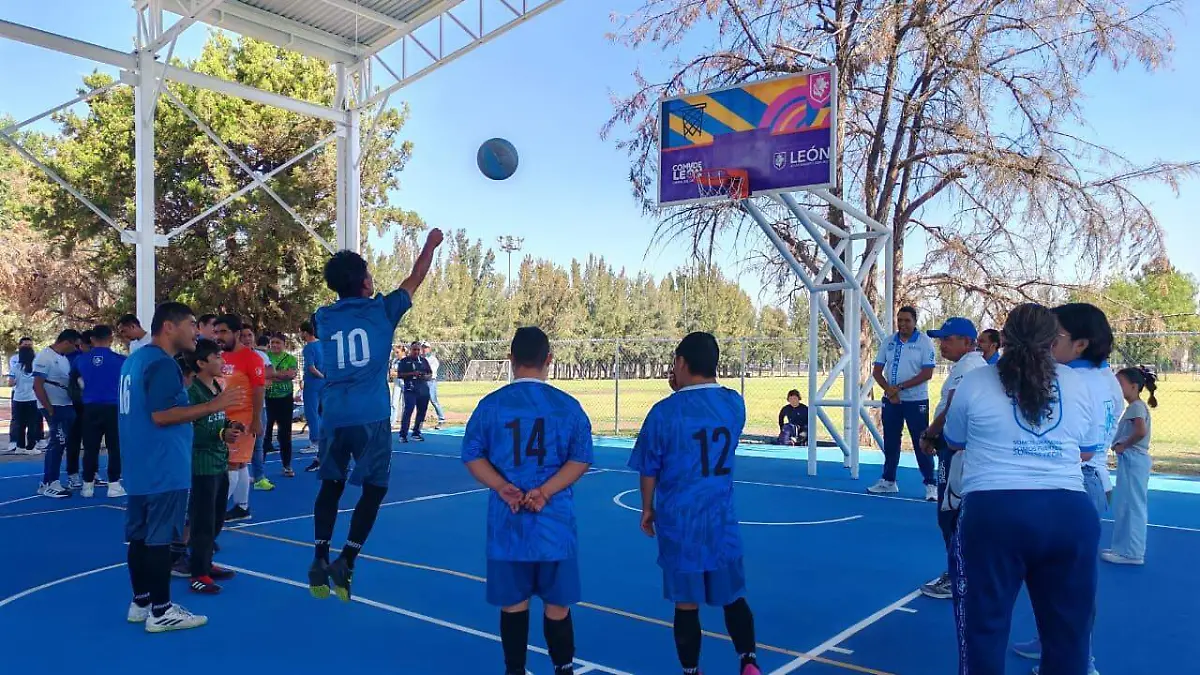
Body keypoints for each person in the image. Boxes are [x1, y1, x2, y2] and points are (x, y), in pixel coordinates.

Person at [944, 303, 1103, 675]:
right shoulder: (1076, 383)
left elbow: (954, 440)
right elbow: (1087, 450)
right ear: (1053, 341)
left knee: (983, 629)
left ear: (1003, 339)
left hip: (995, 513)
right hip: (1068, 513)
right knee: (1069, 637)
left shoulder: (976, 381)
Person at [308, 229, 442, 602]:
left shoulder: (323, 317)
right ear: (366, 283)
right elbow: (416, 276)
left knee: (330, 485)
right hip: (370, 414)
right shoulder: (382, 310)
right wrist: (430, 245)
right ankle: (347, 559)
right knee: (376, 487)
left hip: (334, 414)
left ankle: (320, 554)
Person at [461, 326, 593, 675]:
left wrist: (501, 485)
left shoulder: (491, 406)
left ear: (511, 359)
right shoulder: (568, 407)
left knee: (513, 605)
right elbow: (581, 458)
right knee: (558, 607)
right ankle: (563, 668)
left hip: (508, 524)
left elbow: (472, 455)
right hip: (554, 526)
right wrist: (546, 491)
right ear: (549, 359)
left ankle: (515, 670)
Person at [628, 332, 761, 675]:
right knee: (733, 596)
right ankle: (748, 661)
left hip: (681, 522)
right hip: (720, 520)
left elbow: (649, 467)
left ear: (681, 362)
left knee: (686, 604)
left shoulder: (663, 412)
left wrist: (647, 508)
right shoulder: (734, 404)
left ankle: (691, 670)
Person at [1011, 303, 1122, 675]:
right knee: (1055, 576)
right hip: (1090, 480)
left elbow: (1081, 446)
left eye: (1054, 336)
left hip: (1077, 482)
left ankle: (1079, 660)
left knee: (1072, 584)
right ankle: (1050, 642)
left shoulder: (1075, 381)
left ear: (1080, 344)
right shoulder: (1104, 376)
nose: (1046, 342)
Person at [120, 302, 244, 632]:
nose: (196, 331)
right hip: (163, 465)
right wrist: (214, 405)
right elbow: (162, 415)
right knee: (160, 539)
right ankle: (161, 610)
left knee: (140, 537)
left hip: (140, 464)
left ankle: (141, 602)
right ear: (169, 327)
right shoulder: (162, 364)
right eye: (191, 324)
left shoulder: (134, 361)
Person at [917, 318, 987, 599]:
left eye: (948, 339)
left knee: (950, 514)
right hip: (961, 449)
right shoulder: (971, 366)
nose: (942, 345)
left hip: (958, 452)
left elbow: (953, 406)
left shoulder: (968, 367)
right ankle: (965, 571)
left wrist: (930, 433)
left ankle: (958, 575)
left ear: (967, 342)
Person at [183, 338, 243, 594]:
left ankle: (206, 563)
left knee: (217, 517)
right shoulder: (192, 393)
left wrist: (230, 427)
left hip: (219, 462)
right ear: (201, 363)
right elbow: (192, 430)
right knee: (203, 521)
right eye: (216, 357)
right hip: (203, 465)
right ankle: (197, 572)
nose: (222, 360)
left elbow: (219, 419)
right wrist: (221, 434)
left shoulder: (217, 387)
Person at [871, 306, 938, 498]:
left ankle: (930, 484)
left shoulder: (924, 342)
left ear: (915, 321)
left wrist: (899, 388)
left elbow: (927, 373)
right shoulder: (888, 342)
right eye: (899, 320)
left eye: (907, 320)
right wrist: (889, 390)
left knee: (921, 441)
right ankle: (888, 480)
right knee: (891, 441)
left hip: (916, 400)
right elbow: (877, 371)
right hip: (891, 401)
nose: (902, 324)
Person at [214, 314, 266, 523]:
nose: (218, 336)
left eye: (223, 332)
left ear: (236, 333)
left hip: (242, 420)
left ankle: (213, 510)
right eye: (216, 332)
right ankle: (242, 507)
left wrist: (256, 419)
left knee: (232, 464)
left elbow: (259, 389)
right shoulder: (220, 357)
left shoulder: (251, 358)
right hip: (222, 419)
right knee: (240, 463)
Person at [1103, 366, 1156, 566]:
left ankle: (1132, 552)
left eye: (1120, 384)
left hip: (1134, 459)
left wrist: (1124, 445)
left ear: (1134, 387)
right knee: (1127, 504)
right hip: (1131, 460)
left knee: (1132, 506)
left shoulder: (1136, 408)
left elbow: (1140, 431)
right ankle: (1123, 548)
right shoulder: (1135, 407)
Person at [74, 324, 127, 497]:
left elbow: (75, 382)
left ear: (92, 339)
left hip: (90, 407)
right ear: (111, 338)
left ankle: (87, 485)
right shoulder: (121, 360)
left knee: (90, 447)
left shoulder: (80, 360)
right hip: (113, 407)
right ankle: (114, 485)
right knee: (114, 447)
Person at [32, 329, 83, 498]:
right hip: (54, 406)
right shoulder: (45, 357)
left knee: (62, 443)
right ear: (67, 342)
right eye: (75, 345)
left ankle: (50, 481)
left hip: (66, 405)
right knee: (57, 442)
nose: (76, 349)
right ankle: (49, 482)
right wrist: (49, 408)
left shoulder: (63, 359)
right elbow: (37, 385)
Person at [264, 332, 299, 477]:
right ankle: (259, 470)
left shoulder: (290, 358)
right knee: (265, 433)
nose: (275, 345)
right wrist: (280, 375)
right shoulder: (265, 357)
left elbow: (291, 375)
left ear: (284, 344)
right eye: (272, 342)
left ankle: (287, 465)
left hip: (285, 399)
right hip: (267, 399)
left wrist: (273, 375)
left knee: (285, 434)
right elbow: (263, 375)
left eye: (278, 343)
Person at [245, 329, 276, 491]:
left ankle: (259, 477)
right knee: (237, 443)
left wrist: (257, 379)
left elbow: (271, 374)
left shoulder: (260, 356)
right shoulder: (229, 356)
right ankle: (239, 475)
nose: (247, 339)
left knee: (258, 443)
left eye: (250, 335)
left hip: (259, 406)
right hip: (238, 407)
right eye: (243, 336)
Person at [6, 345, 42, 455]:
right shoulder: (36, 367)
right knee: (32, 424)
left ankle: (20, 446)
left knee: (20, 424)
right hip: (32, 399)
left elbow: (10, 383)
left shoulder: (15, 367)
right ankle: (31, 447)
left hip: (18, 399)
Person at [300, 320, 325, 473]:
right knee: (321, 413)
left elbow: (311, 367)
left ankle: (315, 441)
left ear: (305, 332)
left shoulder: (309, 347)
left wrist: (321, 376)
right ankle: (321, 440)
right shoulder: (322, 344)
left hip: (313, 383)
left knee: (312, 413)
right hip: (323, 384)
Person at [398, 340, 433, 442]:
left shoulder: (423, 361)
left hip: (423, 391)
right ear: (410, 350)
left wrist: (425, 376)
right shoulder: (404, 361)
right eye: (414, 350)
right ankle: (403, 435)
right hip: (410, 390)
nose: (416, 352)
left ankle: (416, 432)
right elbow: (400, 374)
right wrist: (412, 374)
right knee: (408, 411)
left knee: (421, 412)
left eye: (418, 350)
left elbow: (430, 373)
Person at [422, 341, 447, 428]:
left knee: (433, 400)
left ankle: (442, 419)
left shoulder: (433, 359)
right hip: (422, 382)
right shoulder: (420, 358)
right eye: (423, 347)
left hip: (431, 381)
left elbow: (431, 372)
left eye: (426, 348)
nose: (424, 349)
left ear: (429, 349)